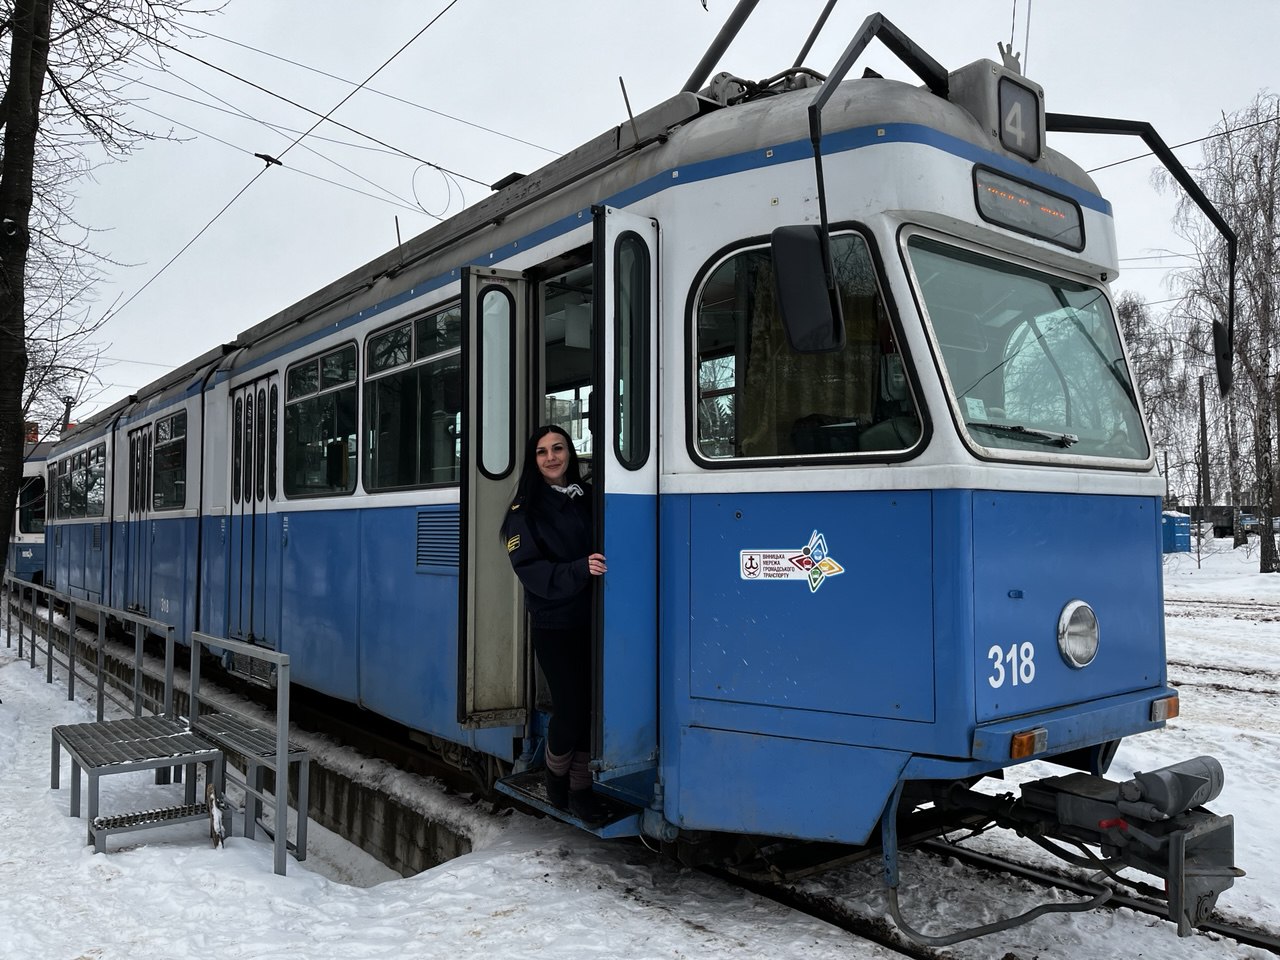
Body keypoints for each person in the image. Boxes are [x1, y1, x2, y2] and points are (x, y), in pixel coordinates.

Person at [501, 425, 610, 825]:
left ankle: (580, 790)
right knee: (571, 709)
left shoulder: (588, 498)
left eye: (558, 449)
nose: (552, 458)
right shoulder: (524, 511)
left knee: (591, 709)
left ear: (570, 453)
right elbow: (530, 570)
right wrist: (578, 570)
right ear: (534, 461)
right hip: (555, 625)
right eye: (542, 452)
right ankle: (554, 774)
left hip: (593, 620)